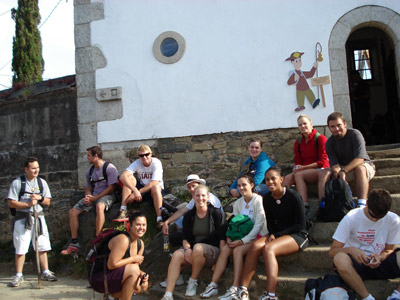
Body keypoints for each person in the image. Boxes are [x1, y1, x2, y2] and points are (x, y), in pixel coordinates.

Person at [238, 166, 308, 300]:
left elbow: (300, 225)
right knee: (255, 246)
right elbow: (270, 222)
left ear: (281, 179)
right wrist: (273, 234)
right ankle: (243, 290)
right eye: (267, 180)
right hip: (277, 233)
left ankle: (270, 295)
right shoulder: (267, 199)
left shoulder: (293, 196)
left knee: (269, 249)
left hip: (297, 234)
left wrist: (276, 236)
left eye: (273, 179)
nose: (270, 182)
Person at [200, 174, 268, 300]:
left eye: (244, 185)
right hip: (242, 236)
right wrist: (229, 238)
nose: (241, 188)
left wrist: (242, 241)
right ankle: (213, 285)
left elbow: (259, 224)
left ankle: (235, 287)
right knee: (226, 249)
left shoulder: (258, 200)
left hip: (257, 235)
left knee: (237, 250)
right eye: (239, 185)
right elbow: (234, 223)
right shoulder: (238, 203)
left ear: (252, 185)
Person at [328, 189, 400, 300]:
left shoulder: (393, 219)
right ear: (366, 204)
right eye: (372, 215)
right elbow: (333, 251)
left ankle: (396, 296)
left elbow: (389, 250)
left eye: (380, 217)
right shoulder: (352, 217)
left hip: (380, 263)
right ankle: (367, 297)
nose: (375, 220)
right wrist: (351, 250)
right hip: (356, 264)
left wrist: (380, 257)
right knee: (339, 258)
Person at [160, 174, 224, 288]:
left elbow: (217, 229)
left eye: (193, 186)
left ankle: (183, 272)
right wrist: (167, 222)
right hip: (198, 236)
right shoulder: (195, 199)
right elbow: (182, 211)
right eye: (189, 187)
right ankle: (177, 271)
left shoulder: (208, 201)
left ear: (200, 185)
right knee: (175, 235)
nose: (191, 190)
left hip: (210, 238)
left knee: (180, 237)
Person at [8, 157, 57, 287]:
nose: (36, 170)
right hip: (23, 218)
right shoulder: (18, 183)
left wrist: (39, 198)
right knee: (21, 246)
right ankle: (18, 275)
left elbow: (47, 201)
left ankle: (45, 271)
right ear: (26, 169)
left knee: (42, 245)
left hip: (39, 217)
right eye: (33, 168)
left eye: (37, 168)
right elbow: (12, 203)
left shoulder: (41, 183)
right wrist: (28, 204)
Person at [62, 146, 119, 254]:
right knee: (72, 212)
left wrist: (96, 198)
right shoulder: (90, 171)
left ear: (96, 155)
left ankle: (98, 237)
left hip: (107, 195)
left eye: (89, 155)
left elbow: (111, 188)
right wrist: (88, 197)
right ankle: (74, 242)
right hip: (93, 195)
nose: (87, 158)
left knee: (100, 206)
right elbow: (88, 188)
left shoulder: (109, 168)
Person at [318, 112, 375, 208]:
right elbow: (334, 164)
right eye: (332, 126)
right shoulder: (329, 143)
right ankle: (323, 205)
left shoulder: (355, 134)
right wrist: (337, 172)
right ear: (329, 128)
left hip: (363, 166)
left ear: (344, 124)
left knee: (360, 169)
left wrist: (344, 171)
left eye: (339, 125)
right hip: (343, 170)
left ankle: (362, 203)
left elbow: (360, 159)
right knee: (323, 173)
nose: (336, 129)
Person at [90, 211, 149, 300]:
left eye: (144, 225)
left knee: (141, 286)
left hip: (115, 277)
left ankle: (112, 297)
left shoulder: (140, 244)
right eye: (138, 225)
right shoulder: (123, 239)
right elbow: (112, 265)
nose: (141, 228)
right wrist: (133, 258)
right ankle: (112, 295)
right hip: (100, 278)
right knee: (133, 270)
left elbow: (135, 267)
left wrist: (142, 275)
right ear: (130, 225)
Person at [283, 114, 329, 215]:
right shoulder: (298, 142)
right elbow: (298, 161)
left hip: (320, 170)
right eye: (300, 125)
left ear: (311, 124)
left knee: (298, 175)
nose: (303, 126)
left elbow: (323, 162)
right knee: (286, 179)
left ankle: (304, 206)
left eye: (305, 123)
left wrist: (303, 168)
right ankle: (286, 206)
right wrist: (297, 167)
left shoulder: (321, 139)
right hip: (304, 170)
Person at [117, 144, 165, 227]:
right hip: (142, 189)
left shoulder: (156, 163)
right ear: (138, 156)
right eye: (141, 155)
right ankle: (123, 209)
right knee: (129, 178)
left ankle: (159, 218)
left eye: (147, 154)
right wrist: (135, 190)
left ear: (151, 154)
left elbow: (154, 182)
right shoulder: (137, 163)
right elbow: (122, 176)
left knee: (155, 187)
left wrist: (137, 192)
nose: (144, 157)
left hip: (154, 191)